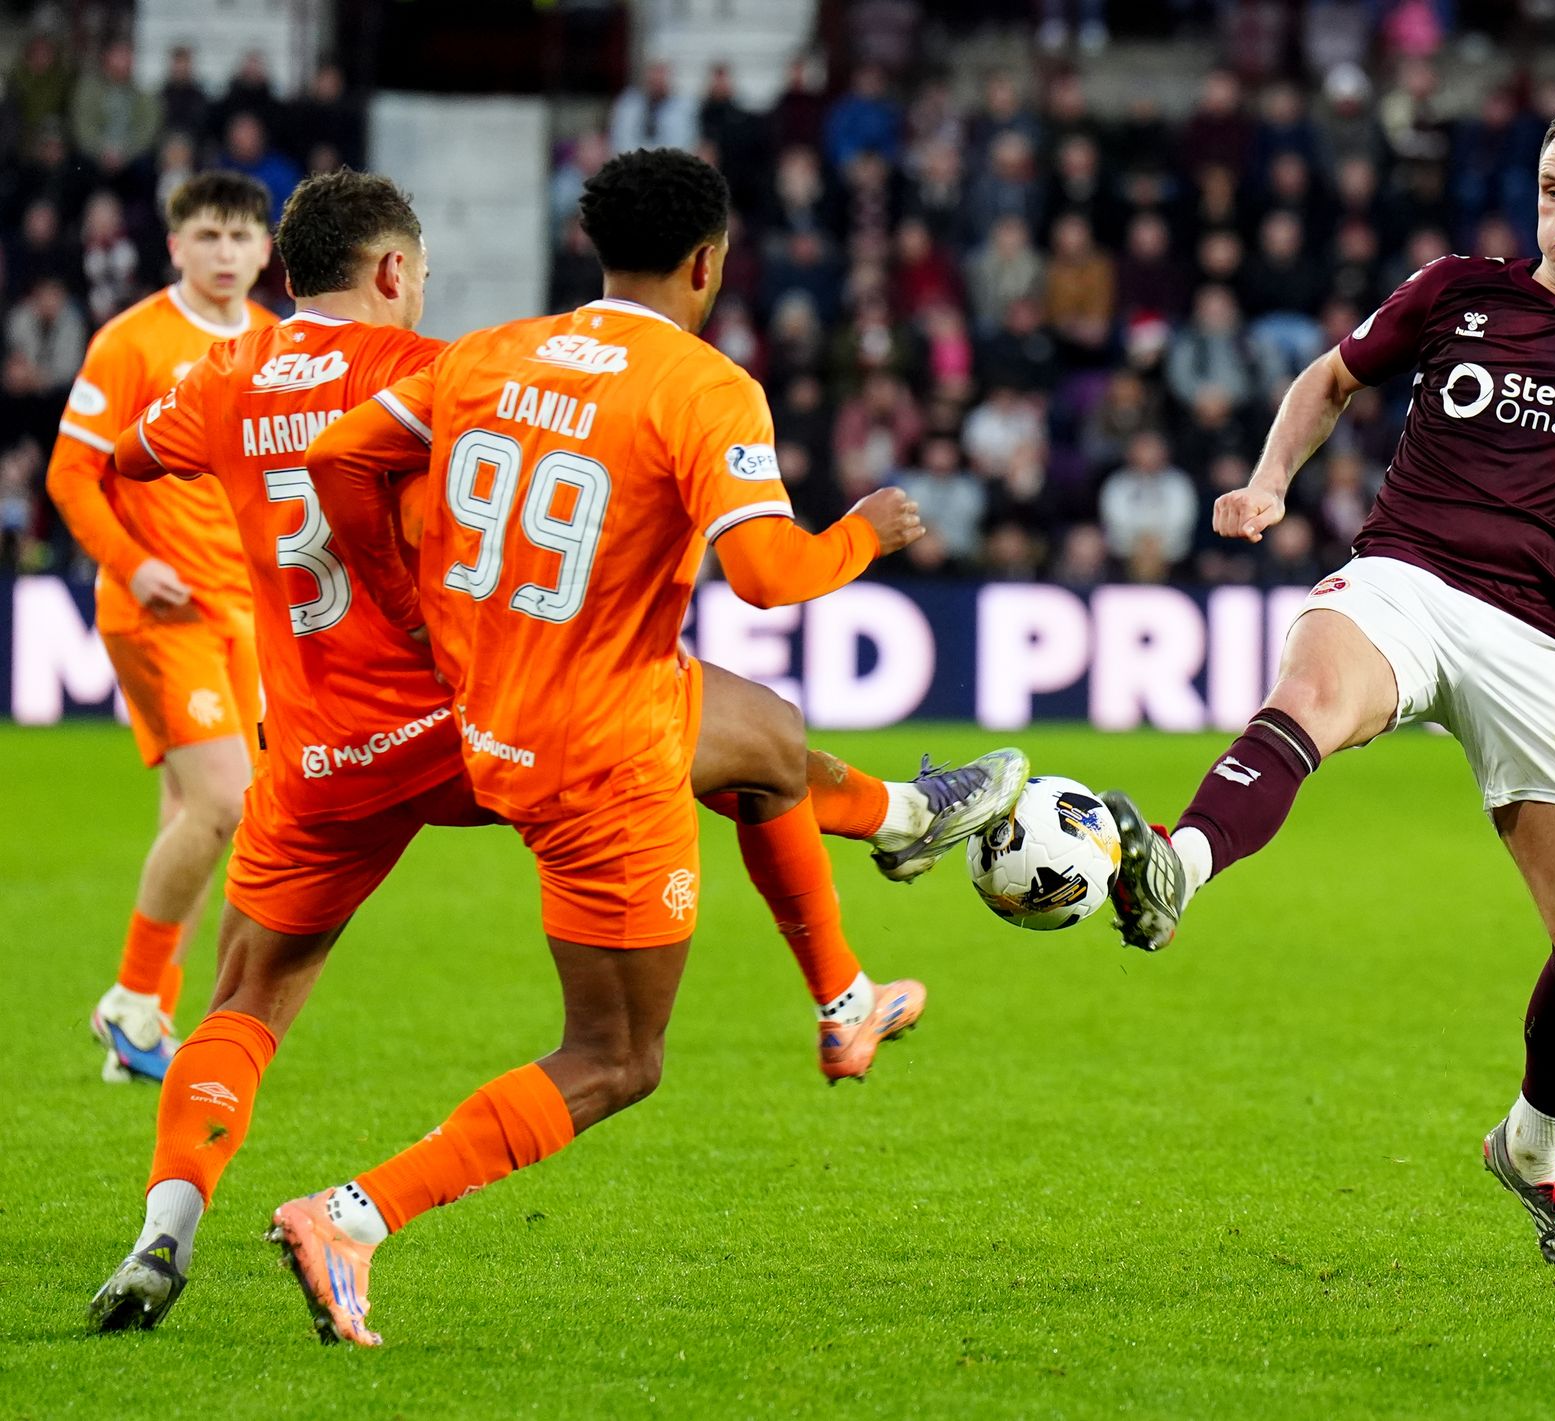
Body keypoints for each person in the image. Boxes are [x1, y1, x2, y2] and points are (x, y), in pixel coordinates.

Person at [86, 169, 1023, 1334]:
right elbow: (772, 575)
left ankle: (158, 1235)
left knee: (249, 991)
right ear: (708, 264)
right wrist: (867, 530)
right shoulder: (486, 363)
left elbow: (166, 458)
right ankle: (353, 1213)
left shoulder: (449, 361)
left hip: (331, 742)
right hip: (500, 723)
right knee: (623, 1045)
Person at [1101, 101, 1555, 1268]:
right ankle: (1173, 865)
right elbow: (1329, 378)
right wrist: (1267, 483)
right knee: (1308, 699)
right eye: (1552, 188)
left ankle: (1531, 1149)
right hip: (1402, 577)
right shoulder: (1458, 287)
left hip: (1541, 640)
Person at [43, 173, 277, 1084]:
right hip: (154, 609)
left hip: (247, 610)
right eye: (207, 236)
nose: (224, 253)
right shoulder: (130, 341)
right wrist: (131, 561)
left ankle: (144, 1036)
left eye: (239, 238)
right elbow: (70, 475)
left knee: (188, 814)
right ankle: (131, 1003)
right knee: (227, 803)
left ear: (266, 253)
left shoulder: (273, 345)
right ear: (175, 246)